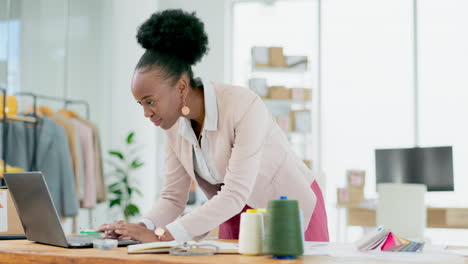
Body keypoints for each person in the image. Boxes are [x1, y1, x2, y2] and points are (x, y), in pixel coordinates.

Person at [97, 9, 329, 243]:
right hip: (237, 216)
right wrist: (137, 229)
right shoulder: (174, 128)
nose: (146, 113)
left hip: (289, 215)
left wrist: (160, 236)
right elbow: (173, 198)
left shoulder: (243, 105)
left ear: (181, 87)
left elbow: (234, 194)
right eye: (141, 104)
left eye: (150, 101)